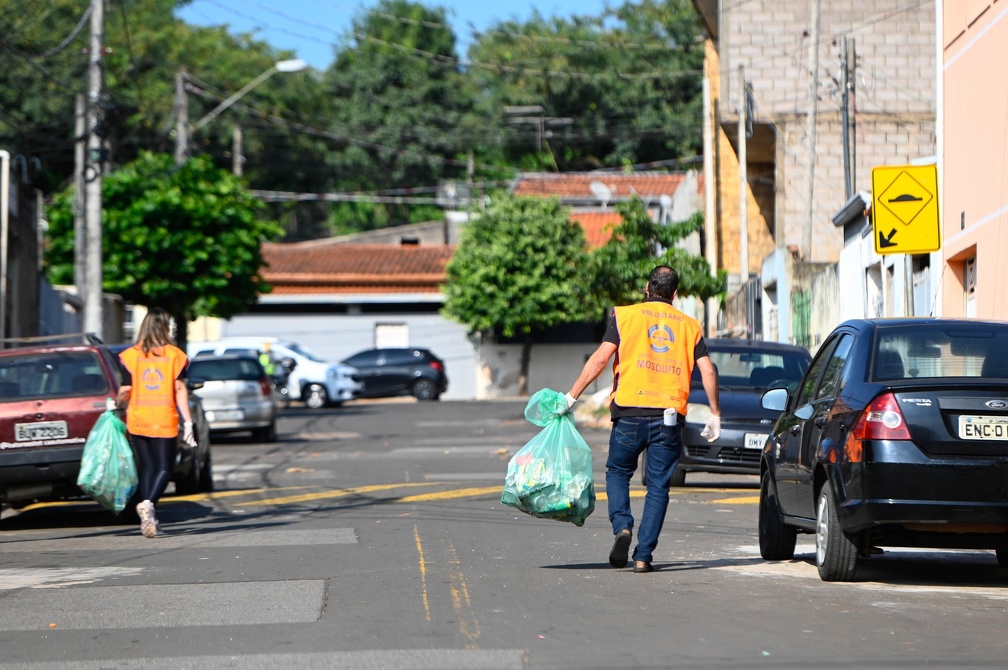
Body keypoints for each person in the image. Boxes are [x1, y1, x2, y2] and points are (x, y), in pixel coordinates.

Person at [564, 265, 721, 573]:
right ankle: (643, 557)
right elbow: (708, 371)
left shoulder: (624, 316)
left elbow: (600, 359)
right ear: (675, 294)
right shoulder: (690, 326)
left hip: (629, 411)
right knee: (659, 486)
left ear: (647, 289)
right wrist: (715, 414)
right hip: (669, 417)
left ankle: (622, 526)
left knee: (618, 472)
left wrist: (571, 397)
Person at [117, 308, 197, 538]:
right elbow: (179, 388)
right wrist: (188, 422)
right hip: (162, 418)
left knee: (148, 468)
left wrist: (117, 403)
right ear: (164, 327)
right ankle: (148, 504)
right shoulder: (175, 355)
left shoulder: (130, 355)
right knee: (164, 467)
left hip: (138, 418)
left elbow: (124, 391)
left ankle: (150, 516)